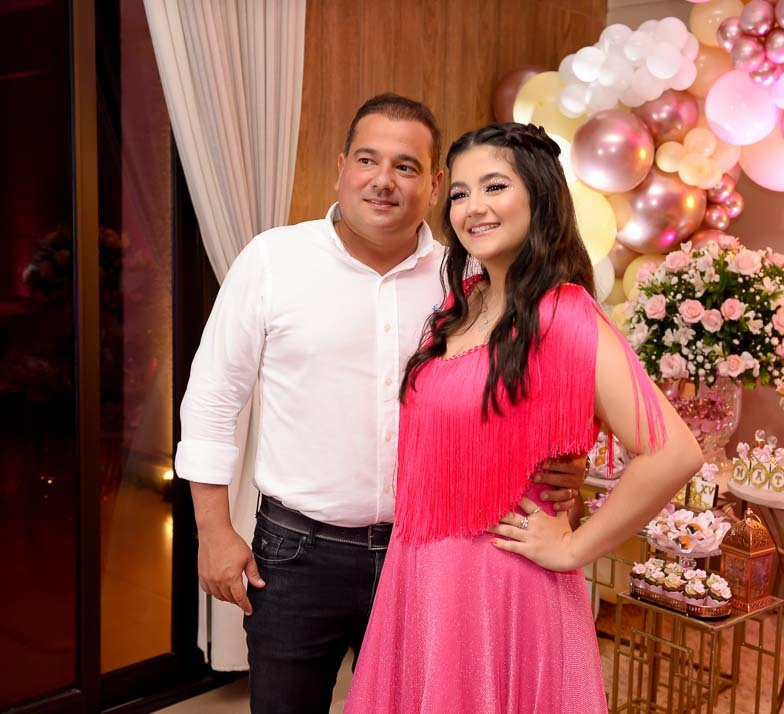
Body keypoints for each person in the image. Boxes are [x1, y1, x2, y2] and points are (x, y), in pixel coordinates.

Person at [175, 95, 585, 714]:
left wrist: (562, 463)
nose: (383, 180)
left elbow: (526, 386)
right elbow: (211, 399)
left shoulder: (471, 277)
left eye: (406, 166)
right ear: (341, 167)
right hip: (295, 555)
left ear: (435, 184)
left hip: (431, 553)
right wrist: (212, 532)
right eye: (368, 160)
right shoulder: (273, 260)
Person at [344, 123, 704, 713]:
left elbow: (674, 452)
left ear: (539, 196)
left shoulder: (565, 313)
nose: (473, 208)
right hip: (422, 574)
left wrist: (575, 548)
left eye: (494, 187)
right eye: (459, 194)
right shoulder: (460, 303)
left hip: (505, 584)